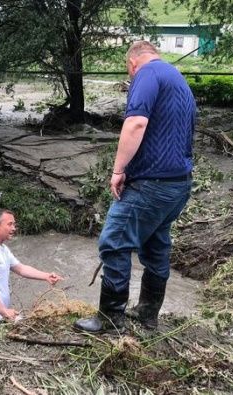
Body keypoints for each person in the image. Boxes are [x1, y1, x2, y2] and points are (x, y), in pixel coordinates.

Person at [74, 41, 195, 333]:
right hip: (178, 185)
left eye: (129, 73)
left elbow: (136, 124)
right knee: (156, 245)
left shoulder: (146, 74)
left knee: (114, 242)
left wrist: (118, 170)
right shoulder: (178, 79)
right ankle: (147, 314)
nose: (131, 78)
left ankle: (110, 319)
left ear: (132, 63)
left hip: (150, 185)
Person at [0, 208, 63, 325]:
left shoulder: (2, 248)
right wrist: (3, 311)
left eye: (14, 224)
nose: (14, 228)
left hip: (0, 316)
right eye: (10, 224)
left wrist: (46, 276)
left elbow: (21, 269)